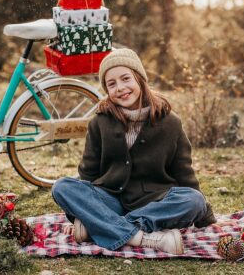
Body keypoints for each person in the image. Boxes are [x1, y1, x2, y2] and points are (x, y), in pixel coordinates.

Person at [51, 48, 216, 254]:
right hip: (111, 200)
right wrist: (80, 211)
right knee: (62, 187)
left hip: (155, 202)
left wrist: (205, 215)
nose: (120, 88)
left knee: (194, 200)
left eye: (125, 79)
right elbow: (88, 173)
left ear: (139, 79)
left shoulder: (171, 123)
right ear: (107, 90)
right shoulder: (99, 122)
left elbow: (184, 172)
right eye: (111, 84)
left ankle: (104, 226)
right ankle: (142, 238)